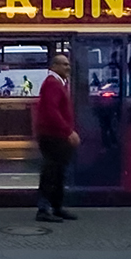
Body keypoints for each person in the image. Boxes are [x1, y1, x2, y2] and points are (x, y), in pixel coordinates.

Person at [34, 53, 80, 223]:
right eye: (64, 64)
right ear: (54, 66)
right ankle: (44, 209)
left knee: (59, 172)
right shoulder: (52, 84)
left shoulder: (59, 83)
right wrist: (68, 131)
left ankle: (56, 207)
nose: (67, 67)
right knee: (51, 172)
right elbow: (52, 111)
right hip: (52, 136)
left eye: (68, 64)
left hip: (56, 135)